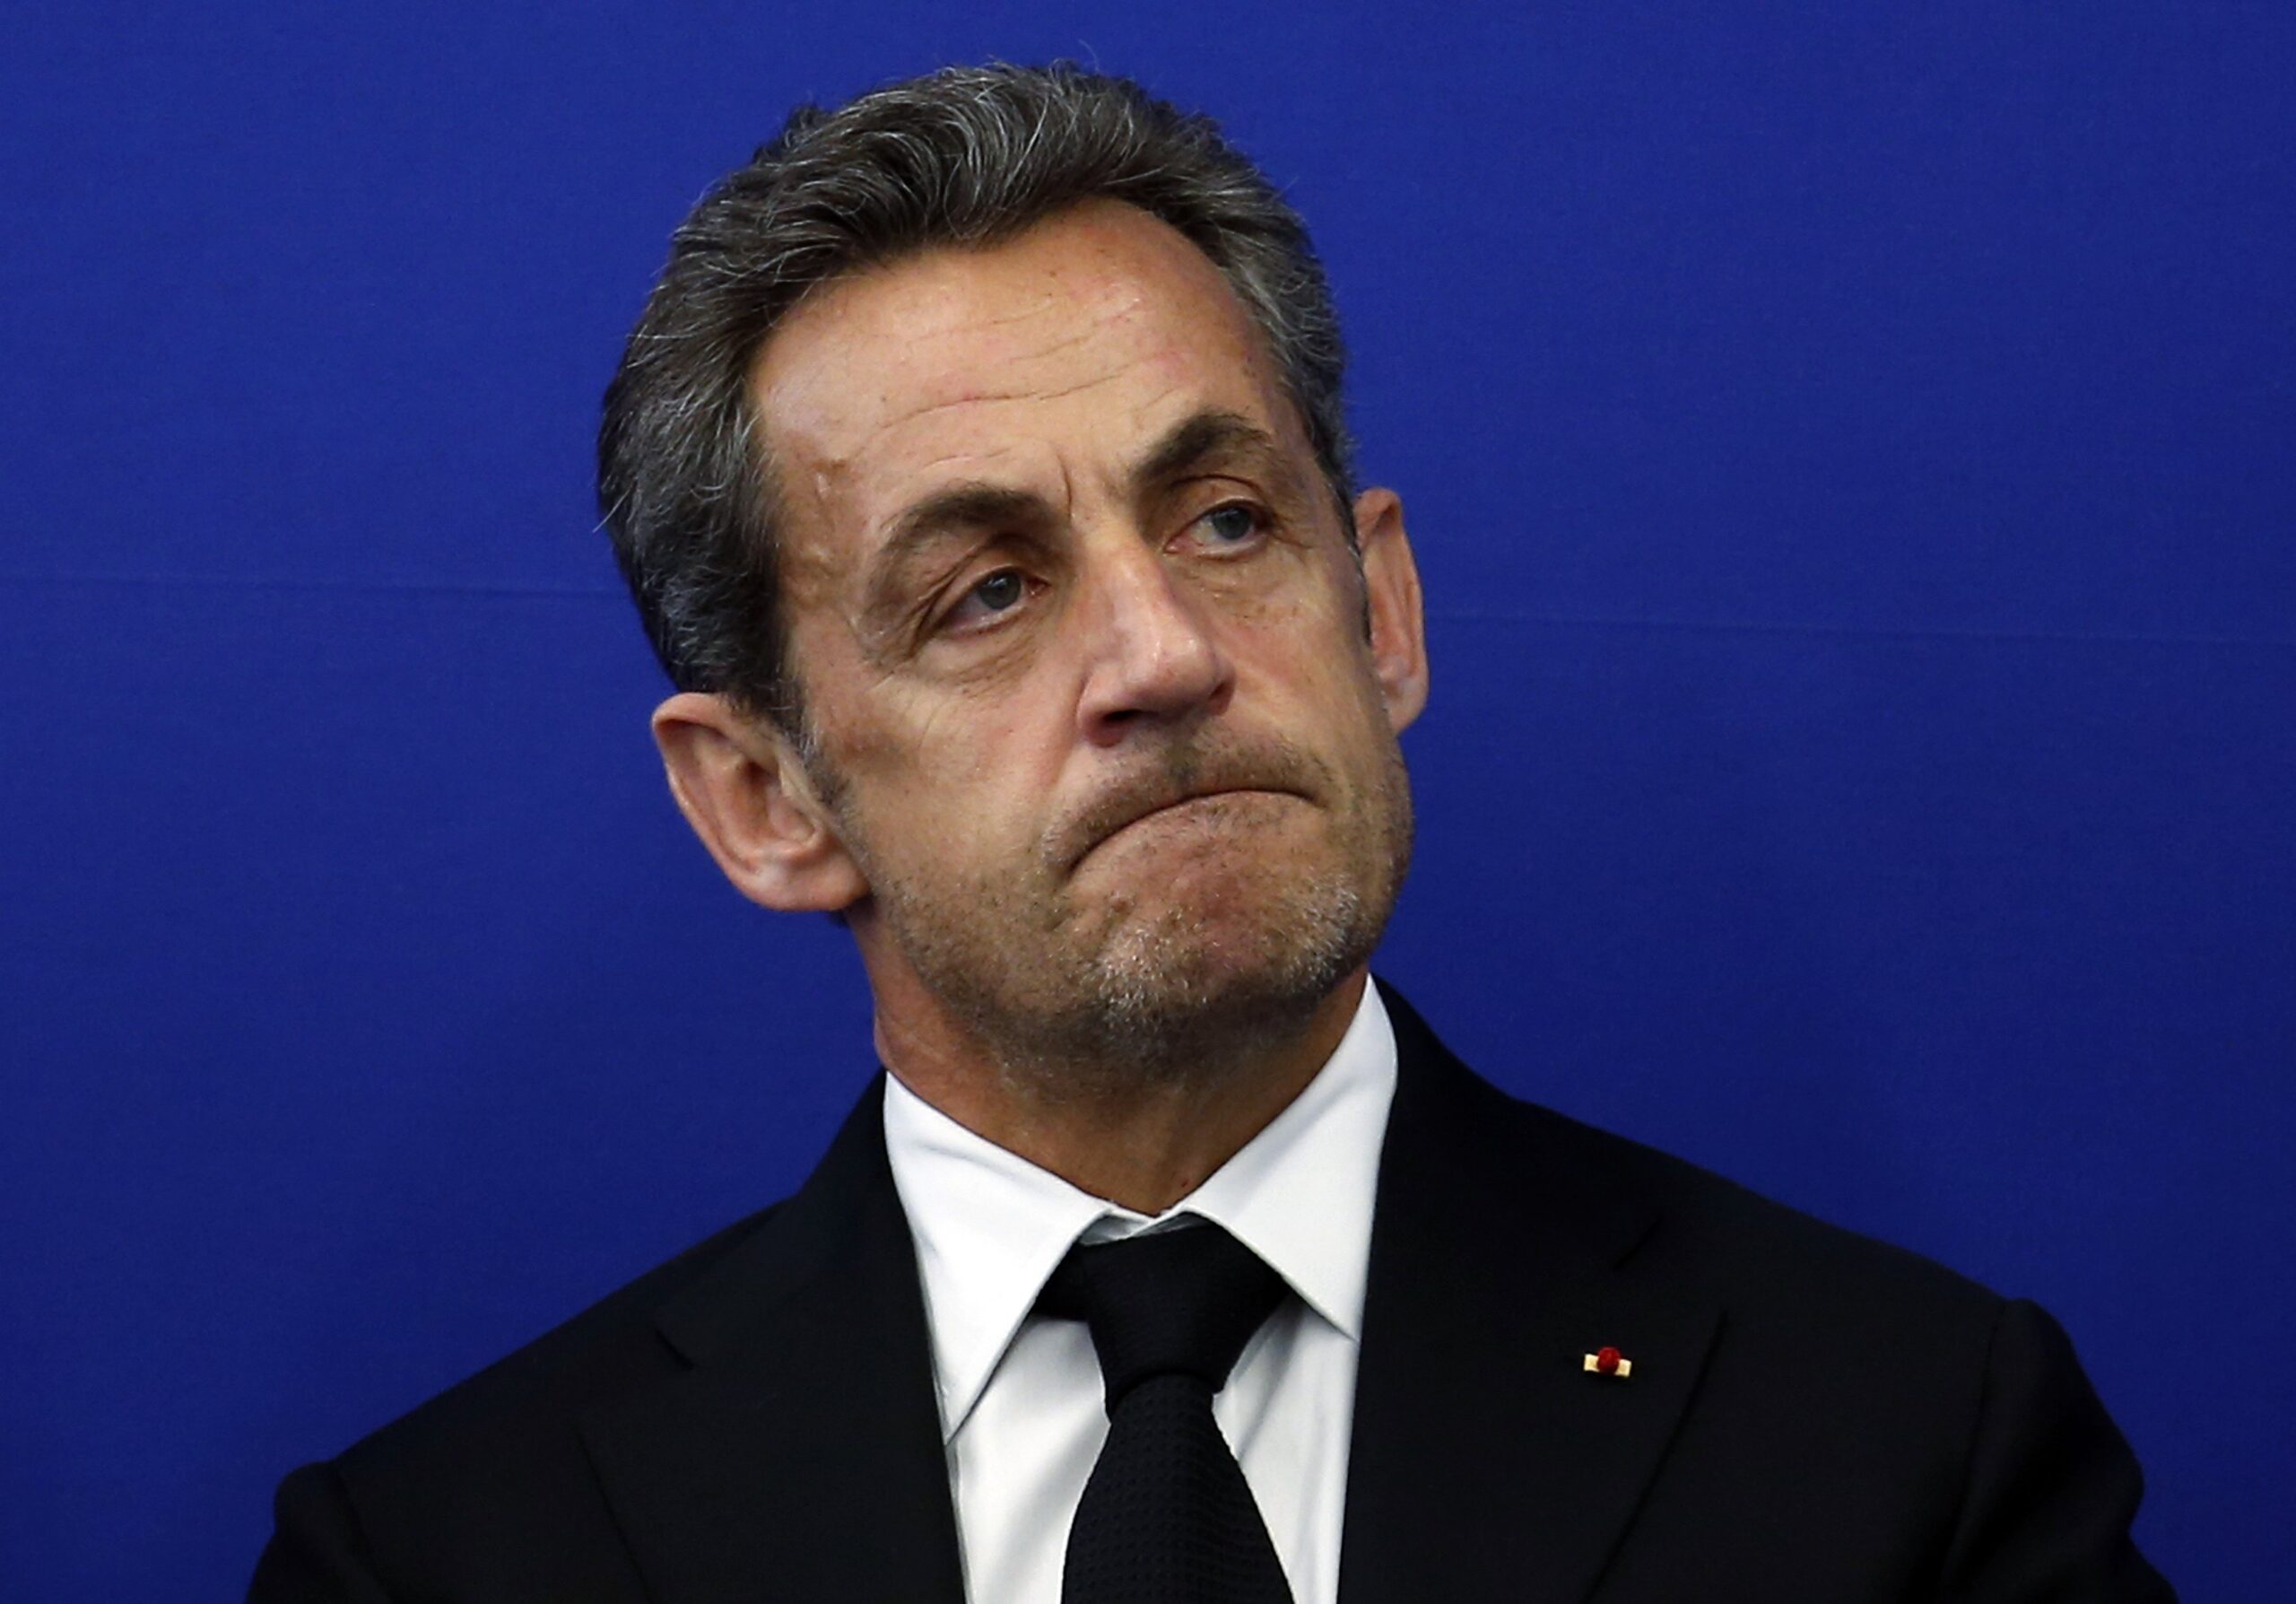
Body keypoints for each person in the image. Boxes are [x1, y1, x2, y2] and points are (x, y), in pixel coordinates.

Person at [249, 63, 2172, 1602]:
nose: (1161, 653)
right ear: (762, 799)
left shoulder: (1909, 1446)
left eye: (1227, 521)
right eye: (984, 591)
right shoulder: (445, 1553)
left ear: (1381, 611)